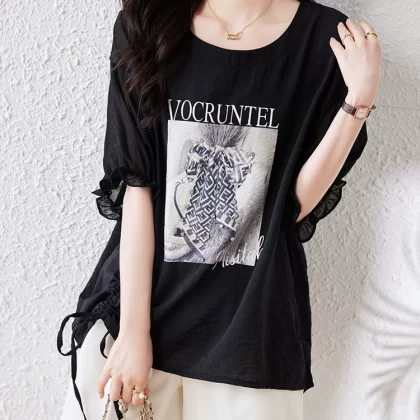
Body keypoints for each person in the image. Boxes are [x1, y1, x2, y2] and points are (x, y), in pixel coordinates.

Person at [57, 0, 381, 419]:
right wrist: (134, 333)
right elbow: (138, 188)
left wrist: (358, 99)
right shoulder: (149, 22)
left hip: (250, 336)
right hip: (140, 323)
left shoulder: (327, 40)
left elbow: (291, 208)